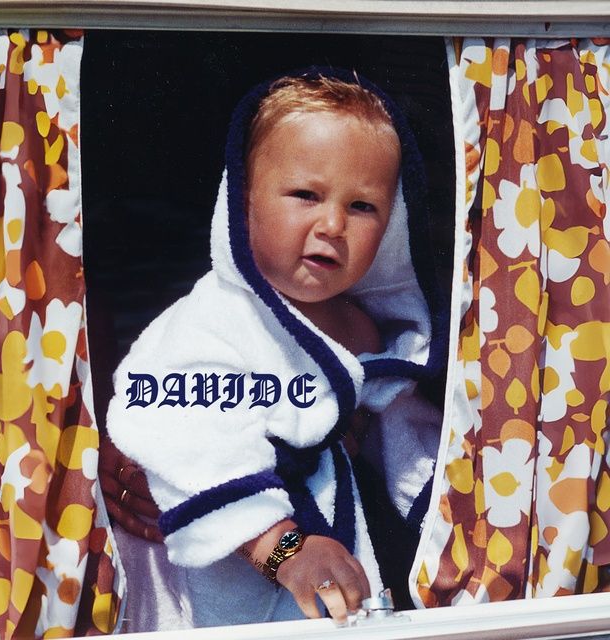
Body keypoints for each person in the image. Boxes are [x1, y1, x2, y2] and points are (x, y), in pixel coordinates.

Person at [106, 68, 443, 629]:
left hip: (331, 570)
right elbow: (195, 451)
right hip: (222, 580)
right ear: (244, 202)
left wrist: (449, 502)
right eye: (306, 195)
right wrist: (287, 551)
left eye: (363, 206)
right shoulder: (209, 325)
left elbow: (409, 443)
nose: (332, 223)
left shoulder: (363, 332)